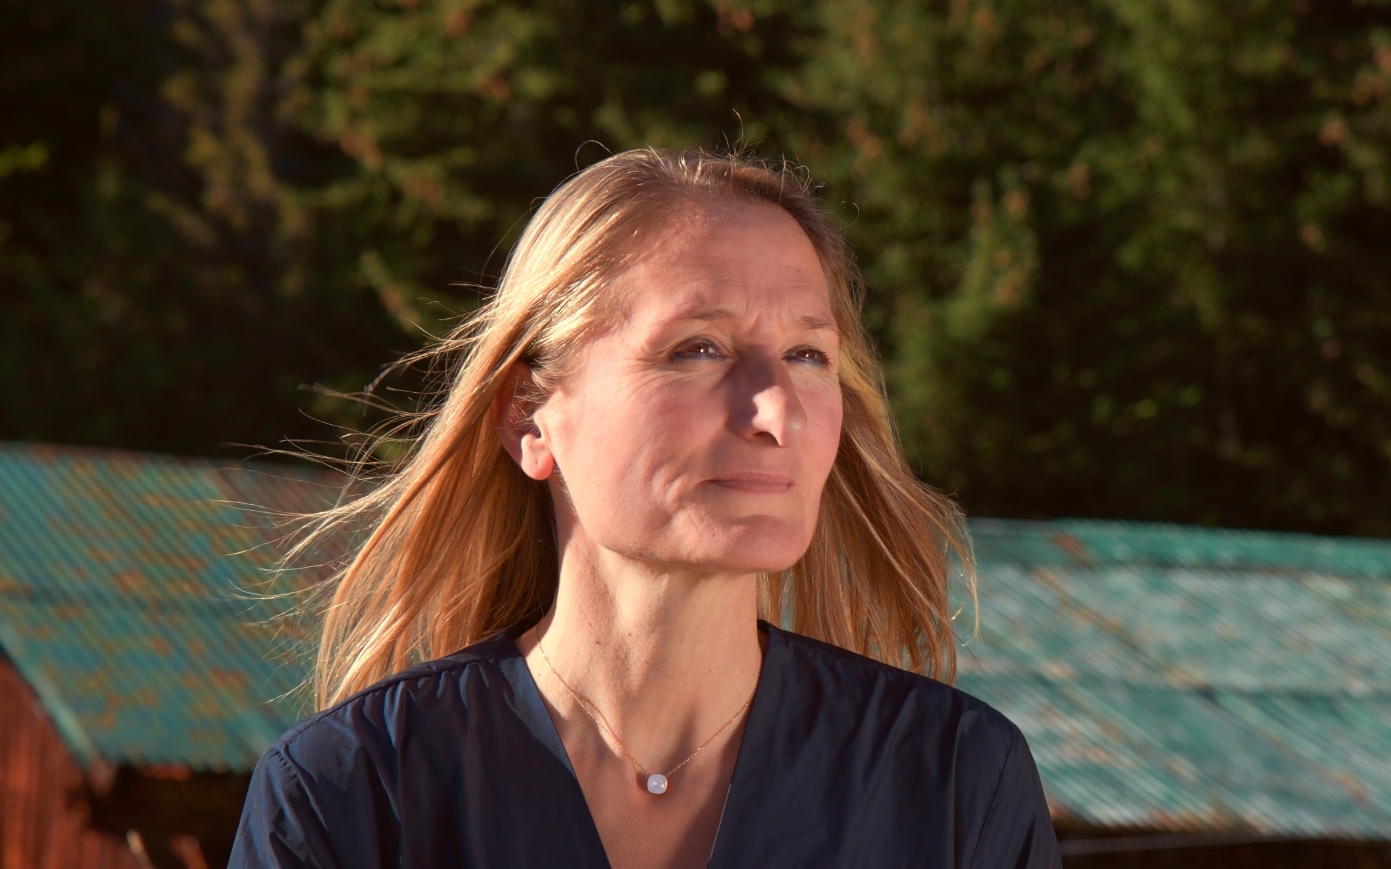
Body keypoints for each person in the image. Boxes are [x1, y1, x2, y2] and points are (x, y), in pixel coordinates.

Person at [230, 148, 1059, 869]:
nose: (776, 410)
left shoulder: (955, 783)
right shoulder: (350, 789)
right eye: (698, 348)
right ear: (529, 417)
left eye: (808, 354)